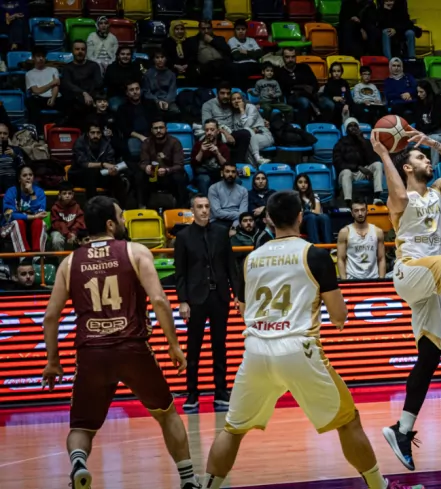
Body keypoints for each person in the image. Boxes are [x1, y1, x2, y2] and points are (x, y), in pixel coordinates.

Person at [200, 190, 420, 489]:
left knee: (233, 429)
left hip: (255, 350)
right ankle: (378, 486)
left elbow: (241, 308)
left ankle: (207, 486)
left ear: (268, 220)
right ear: (300, 216)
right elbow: (339, 314)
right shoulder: (313, 254)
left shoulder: (250, 259)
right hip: (297, 348)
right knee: (348, 420)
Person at [40, 196, 201, 489]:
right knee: (166, 414)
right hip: (132, 349)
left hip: (92, 354)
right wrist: (174, 344)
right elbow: (160, 301)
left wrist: (53, 361)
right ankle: (189, 481)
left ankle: (78, 462)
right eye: (122, 216)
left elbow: (50, 317)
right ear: (111, 223)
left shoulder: (70, 261)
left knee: (81, 428)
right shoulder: (135, 251)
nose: (125, 221)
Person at [373, 128, 441, 471]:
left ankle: (401, 430)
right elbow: (400, 196)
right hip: (408, 273)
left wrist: (434, 144)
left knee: (429, 357)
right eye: (419, 158)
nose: (426, 161)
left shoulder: (438, 191)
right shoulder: (400, 200)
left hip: (431, 282)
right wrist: (384, 153)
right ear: (407, 168)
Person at [175, 194, 243, 410]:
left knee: (219, 346)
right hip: (195, 298)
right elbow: (180, 273)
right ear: (192, 211)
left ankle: (221, 391)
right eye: (200, 207)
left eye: (207, 206)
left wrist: (238, 295)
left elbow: (231, 266)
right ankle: (192, 393)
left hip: (219, 296)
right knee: (194, 347)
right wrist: (183, 300)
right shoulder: (183, 236)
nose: (204, 210)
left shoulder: (222, 233)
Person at [70, 123, 127, 203]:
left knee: (116, 177)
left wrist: (112, 170)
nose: (95, 135)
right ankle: (92, 206)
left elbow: (110, 161)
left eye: (98, 133)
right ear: (88, 134)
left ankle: (120, 208)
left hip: (100, 174)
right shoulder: (80, 143)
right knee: (90, 173)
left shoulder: (106, 144)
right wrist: (102, 164)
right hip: (79, 175)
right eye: (92, 133)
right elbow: (83, 164)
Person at [137, 119, 188, 207]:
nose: (158, 131)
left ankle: (182, 207)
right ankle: (142, 206)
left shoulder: (174, 142)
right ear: (151, 130)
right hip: (153, 176)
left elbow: (179, 165)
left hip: (170, 174)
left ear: (166, 129)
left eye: (161, 128)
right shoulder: (147, 143)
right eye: (155, 128)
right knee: (139, 176)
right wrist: (146, 167)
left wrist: (167, 170)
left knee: (179, 177)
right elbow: (143, 162)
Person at [334, 118, 384, 206]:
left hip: (363, 173)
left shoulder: (366, 142)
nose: (353, 128)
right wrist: (358, 167)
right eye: (350, 126)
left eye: (355, 126)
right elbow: (338, 163)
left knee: (378, 164)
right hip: (349, 174)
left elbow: (373, 159)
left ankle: (377, 197)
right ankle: (348, 203)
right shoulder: (340, 144)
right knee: (346, 172)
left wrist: (363, 141)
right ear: (346, 130)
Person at [201, 83, 252, 165]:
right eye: (222, 93)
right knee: (214, 135)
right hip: (218, 133)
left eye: (228, 93)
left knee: (245, 133)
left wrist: (257, 109)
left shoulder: (231, 101)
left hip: (233, 132)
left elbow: (247, 104)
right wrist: (225, 133)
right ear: (217, 93)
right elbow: (206, 125)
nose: (225, 96)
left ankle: (238, 165)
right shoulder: (208, 105)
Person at [337, 198, 386, 280]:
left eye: (362, 210)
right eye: (356, 211)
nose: (360, 213)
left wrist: (381, 279)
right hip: (351, 279)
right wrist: (344, 280)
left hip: (373, 278)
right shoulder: (344, 232)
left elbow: (381, 258)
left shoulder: (378, 231)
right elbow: (341, 259)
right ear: (352, 213)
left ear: (367, 211)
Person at [2, 165, 47, 252]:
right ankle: (23, 256)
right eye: (25, 175)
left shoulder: (39, 192)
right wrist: (33, 217)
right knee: (18, 223)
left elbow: (40, 213)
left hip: (31, 226)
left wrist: (32, 193)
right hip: (10, 226)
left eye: (30, 175)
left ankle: (38, 256)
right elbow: (10, 215)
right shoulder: (11, 192)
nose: (28, 177)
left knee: (39, 223)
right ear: (19, 179)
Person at [116, 80, 160, 164]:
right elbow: (125, 129)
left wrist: (153, 135)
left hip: (151, 134)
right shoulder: (122, 108)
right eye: (131, 90)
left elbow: (157, 120)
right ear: (127, 93)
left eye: (137, 89)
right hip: (134, 137)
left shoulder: (150, 103)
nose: (135, 92)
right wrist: (141, 137)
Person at [274, 47, 321, 125]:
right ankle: (304, 126)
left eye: (293, 57)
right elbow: (283, 90)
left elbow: (315, 84)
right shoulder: (279, 73)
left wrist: (309, 90)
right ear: (283, 58)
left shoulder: (304, 68)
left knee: (328, 103)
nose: (290, 59)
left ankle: (323, 127)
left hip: (310, 95)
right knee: (304, 102)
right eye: (287, 57)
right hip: (291, 97)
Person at [25, 46, 63, 131]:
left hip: (55, 97)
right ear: (33, 58)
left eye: (43, 56)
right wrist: (51, 83)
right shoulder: (29, 74)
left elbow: (56, 86)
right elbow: (36, 90)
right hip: (39, 99)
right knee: (30, 101)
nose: (41, 58)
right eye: (38, 56)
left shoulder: (53, 70)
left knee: (68, 102)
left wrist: (53, 98)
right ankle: (35, 132)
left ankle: (60, 130)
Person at [230, 91, 273, 165]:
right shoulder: (234, 114)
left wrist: (242, 111)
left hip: (263, 135)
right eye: (233, 99)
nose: (236, 101)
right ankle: (257, 162)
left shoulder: (250, 107)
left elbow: (247, 125)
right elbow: (238, 131)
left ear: (243, 100)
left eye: (239, 98)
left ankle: (254, 167)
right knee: (246, 141)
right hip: (250, 139)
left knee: (247, 135)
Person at [61, 40, 103, 115]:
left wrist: (89, 95)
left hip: (91, 96)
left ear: (86, 51)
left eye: (83, 49)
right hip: (74, 98)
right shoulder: (67, 67)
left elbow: (98, 83)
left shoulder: (93, 65)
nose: (80, 51)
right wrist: (83, 93)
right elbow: (67, 84)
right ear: (72, 51)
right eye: (77, 49)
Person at [191, 119, 231, 195]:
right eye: (207, 130)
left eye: (212, 130)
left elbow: (227, 166)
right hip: (203, 174)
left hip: (218, 175)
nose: (209, 133)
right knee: (205, 179)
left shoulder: (223, 147)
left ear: (218, 131)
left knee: (235, 179)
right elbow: (193, 164)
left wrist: (218, 154)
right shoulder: (198, 145)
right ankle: (206, 204)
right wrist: (201, 151)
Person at [104, 46, 147, 113]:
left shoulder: (135, 66)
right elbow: (112, 83)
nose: (125, 56)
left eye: (128, 54)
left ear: (131, 56)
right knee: (116, 108)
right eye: (123, 54)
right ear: (118, 56)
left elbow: (139, 81)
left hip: (134, 94)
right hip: (117, 95)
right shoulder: (111, 68)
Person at [208, 162, 249, 229]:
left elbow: (243, 213)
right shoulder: (213, 188)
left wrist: (235, 225)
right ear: (222, 173)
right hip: (218, 221)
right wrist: (238, 214)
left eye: (233, 172)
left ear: (236, 174)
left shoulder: (243, 190)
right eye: (227, 171)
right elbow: (217, 213)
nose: (230, 174)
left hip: (237, 220)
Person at [142, 50, 181, 119]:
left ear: (166, 59)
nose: (160, 60)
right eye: (157, 57)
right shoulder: (148, 74)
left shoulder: (171, 74)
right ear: (153, 59)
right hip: (153, 101)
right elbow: (146, 92)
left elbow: (172, 91)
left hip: (168, 101)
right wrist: (157, 101)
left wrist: (167, 102)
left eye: (162, 57)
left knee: (175, 111)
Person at [294, 173, 332, 244]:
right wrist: (308, 212)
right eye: (300, 182)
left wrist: (306, 212)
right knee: (310, 216)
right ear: (296, 184)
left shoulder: (314, 196)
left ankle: (329, 246)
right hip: (300, 224)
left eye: (305, 182)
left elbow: (317, 212)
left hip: (313, 220)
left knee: (324, 217)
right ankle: (316, 245)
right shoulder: (293, 197)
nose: (303, 185)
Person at [49, 181, 85, 251]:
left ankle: (73, 261)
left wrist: (73, 233)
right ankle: (62, 261)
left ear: (73, 195)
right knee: (57, 240)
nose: (67, 195)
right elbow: (56, 224)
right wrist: (68, 234)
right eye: (64, 193)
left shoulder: (77, 207)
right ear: (59, 195)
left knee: (83, 238)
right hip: (59, 231)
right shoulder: (55, 208)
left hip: (73, 231)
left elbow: (80, 222)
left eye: (69, 193)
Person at [227, 19, 264, 85]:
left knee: (268, 66)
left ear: (246, 30)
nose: (241, 31)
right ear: (235, 31)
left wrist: (246, 52)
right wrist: (252, 53)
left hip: (254, 65)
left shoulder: (251, 40)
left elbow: (259, 54)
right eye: (238, 29)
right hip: (240, 65)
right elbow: (236, 56)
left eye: (243, 29)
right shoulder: (232, 40)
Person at [320, 62, 353, 127]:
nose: (336, 73)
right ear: (331, 73)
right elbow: (325, 95)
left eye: (338, 71)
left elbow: (348, 96)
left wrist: (347, 105)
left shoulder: (344, 82)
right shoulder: (329, 82)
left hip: (344, 103)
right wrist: (333, 97)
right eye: (334, 71)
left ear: (341, 72)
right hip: (333, 104)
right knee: (335, 108)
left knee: (352, 108)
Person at [0, 123, 24, 193]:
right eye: (0, 133)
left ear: (8, 136)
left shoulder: (16, 150)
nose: (2, 136)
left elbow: (23, 168)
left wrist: (15, 156)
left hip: (11, 184)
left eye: (5, 134)